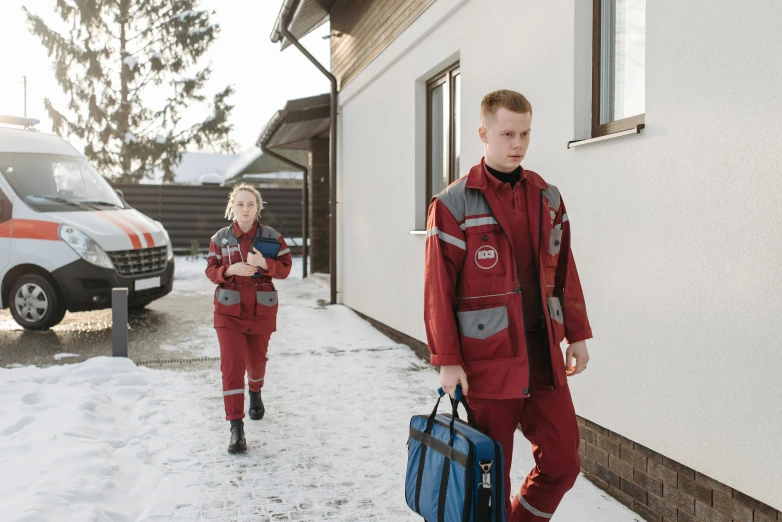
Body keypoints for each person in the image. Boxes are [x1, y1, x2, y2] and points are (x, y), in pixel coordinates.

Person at [423, 89, 592, 521]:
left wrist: (577, 334)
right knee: (487, 478)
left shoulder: (548, 197)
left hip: (543, 358)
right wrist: (447, 360)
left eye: (525, 134)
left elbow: (565, 271)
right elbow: (437, 289)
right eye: (508, 134)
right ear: (484, 133)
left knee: (563, 462)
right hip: (488, 362)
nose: (518, 144)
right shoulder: (452, 205)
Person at [205, 183, 292, 454]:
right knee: (232, 367)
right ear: (233, 205)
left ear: (258, 208)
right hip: (228, 311)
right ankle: (236, 428)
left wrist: (267, 265)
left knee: (255, 364)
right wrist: (229, 270)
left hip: (261, 310)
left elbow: (286, 268)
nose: (245, 209)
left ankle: (255, 390)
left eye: (250, 204)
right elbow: (211, 270)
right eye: (240, 204)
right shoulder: (220, 239)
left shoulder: (271, 237)